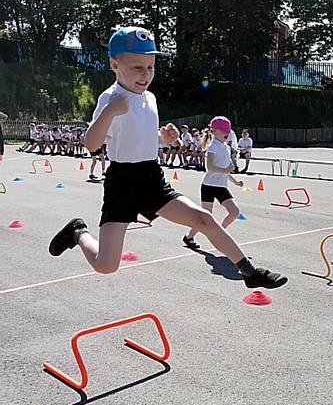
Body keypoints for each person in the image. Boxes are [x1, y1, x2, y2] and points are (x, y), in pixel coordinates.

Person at [48, 26, 288, 290]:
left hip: (152, 178)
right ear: (114, 64)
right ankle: (78, 232)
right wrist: (109, 112)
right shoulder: (110, 97)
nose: (146, 74)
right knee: (107, 265)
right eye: (137, 67)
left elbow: (140, 139)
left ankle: (249, 271)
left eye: (150, 67)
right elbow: (91, 144)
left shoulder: (149, 98)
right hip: (122, 182)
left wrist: (164, 138)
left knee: (203, 219)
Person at [183, 117, 244, 250]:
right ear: (215, 131)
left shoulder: (226, 148)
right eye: (224, 131)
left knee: (234, 212)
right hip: (209, 186)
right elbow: (210, 167)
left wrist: (235, 182)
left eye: (228, 131)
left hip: (221, 187)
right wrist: (225, 170)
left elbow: (226, 171)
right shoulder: (212, 146)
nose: (227, 134)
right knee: (206, 217)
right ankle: (188, 237)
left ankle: (220, 233)